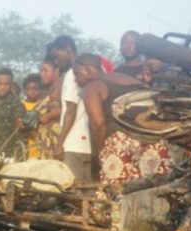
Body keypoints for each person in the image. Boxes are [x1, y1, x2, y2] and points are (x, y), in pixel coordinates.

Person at [73, 53, 172, 185]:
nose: (75, 79)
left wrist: (101, 152)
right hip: (154, 142)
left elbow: (98, 125)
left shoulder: (92, 87)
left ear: (88, 69)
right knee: (152, 191)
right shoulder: (133, 80)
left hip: (122, 148)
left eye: (77, 73)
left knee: (115, 197)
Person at [50, 35, 92, 183]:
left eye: (57, 56)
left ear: (67, 50)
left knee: (73, 193)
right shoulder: (90, 74)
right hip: (88, 144)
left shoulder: (72, 75)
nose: (56, 61)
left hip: (73, 143)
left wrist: (59, 144)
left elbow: (70, 110)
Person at [0, 68, 25, 157]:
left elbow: (20, 127)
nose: (3, 87)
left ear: (11, 85)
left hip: (9, 154)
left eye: (6, 84)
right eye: (0, 84)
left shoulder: (16, 103)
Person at [35, 57, 62, 160]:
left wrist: (50, 115)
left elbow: (70, 110)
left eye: (45, 71)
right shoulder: (46, 91)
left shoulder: (63, 89)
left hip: (56, 141)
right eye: (41, 71)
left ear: (56, 71)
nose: (42, 74)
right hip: (44, 142)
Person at [22, 73, 42, 159]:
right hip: (24, 149)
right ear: (25, 90)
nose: (32, 91)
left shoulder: (42, 104)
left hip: (39, 149)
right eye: (29, 89)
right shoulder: (20, 105)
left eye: (35, 89)